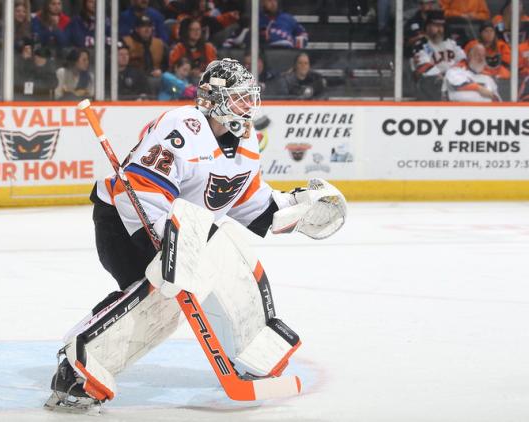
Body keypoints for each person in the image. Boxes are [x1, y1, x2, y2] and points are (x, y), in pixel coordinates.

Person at [44, 58, 347, 410]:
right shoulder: (181, 127)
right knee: (157, 297)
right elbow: (142, 190)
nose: (247, 106)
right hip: (124, 222)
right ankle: (79, 370)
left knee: (228, 253)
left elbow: (249, 203)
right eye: (238, 98)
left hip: (182, 231)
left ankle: (253, 347)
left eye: (249, 97)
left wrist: (295, 207)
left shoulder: (246, 142)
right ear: (213, 100)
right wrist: (168, 247)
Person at [411, 10, 466, 100]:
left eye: (441, 26)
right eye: (436, 25)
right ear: (427, 26)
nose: (439, 29)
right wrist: (445, 77)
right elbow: (424, 67)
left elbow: (463, 60)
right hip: (431, 88)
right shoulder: (421, 45)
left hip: (453, 83)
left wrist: (454, 75)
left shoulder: (451, 43)